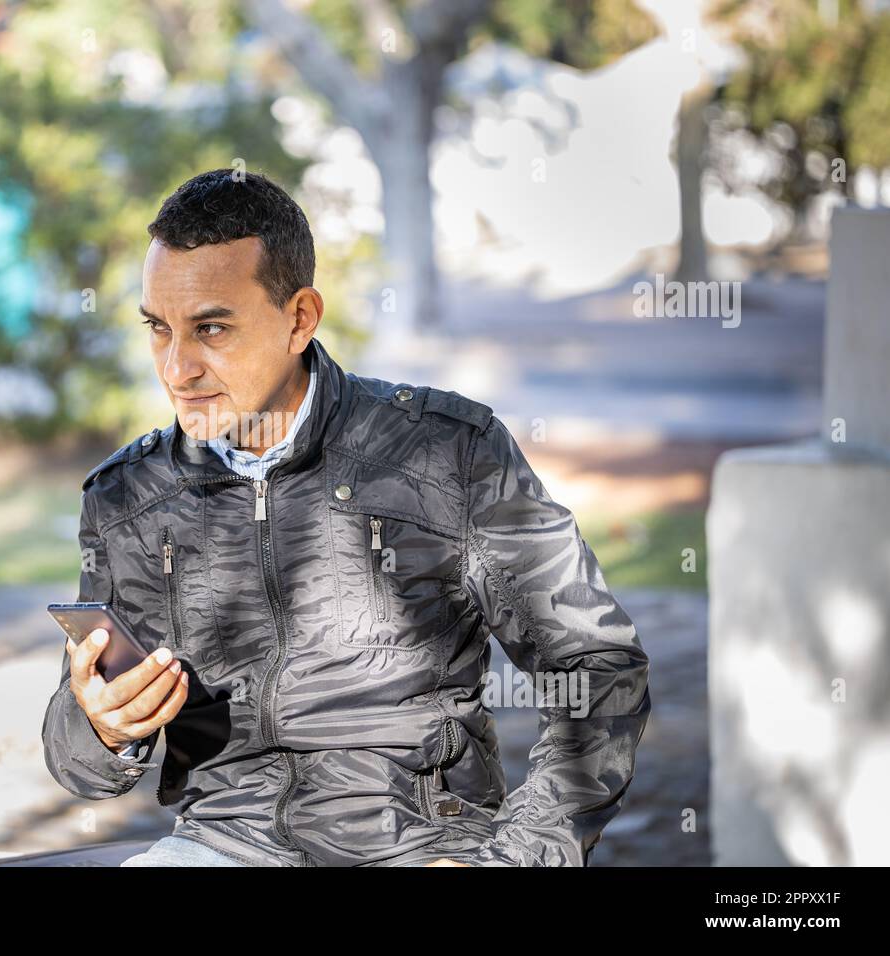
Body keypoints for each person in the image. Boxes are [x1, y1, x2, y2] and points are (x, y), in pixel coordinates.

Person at [40, 169, 652, 867]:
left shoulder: (451, 450)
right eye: (159, 330)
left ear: (300, 317)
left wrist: (516, 857)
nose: (178, 368)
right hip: (220, 843)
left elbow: (598, 664)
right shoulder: (129, 497)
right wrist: (99, 726)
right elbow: (81, 764)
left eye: (211, 328)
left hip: (423, 845)